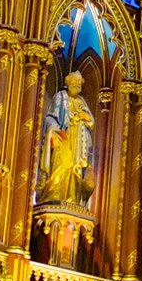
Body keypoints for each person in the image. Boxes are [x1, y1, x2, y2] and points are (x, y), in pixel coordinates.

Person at [39, 69, 95, 204]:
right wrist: (53, 132)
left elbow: (91, 122)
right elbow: (50, 118)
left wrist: (86, 118)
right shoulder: (60, 97)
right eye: (74, 82)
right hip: (64, 140)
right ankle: (54, 195)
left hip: (78, 145)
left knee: (75, 174)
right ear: (68, 83)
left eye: (79, 83)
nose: (77, 85)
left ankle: (73, 199)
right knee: (60, 169)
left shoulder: (81, 102)